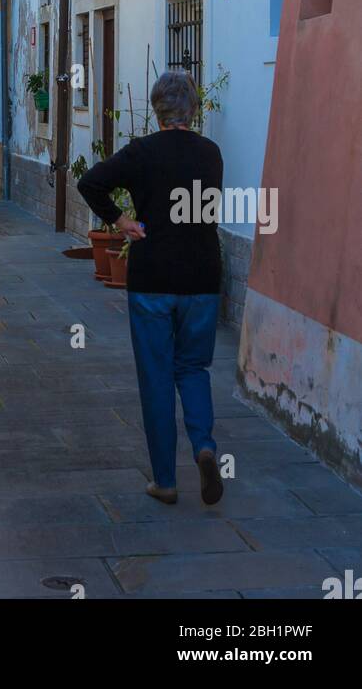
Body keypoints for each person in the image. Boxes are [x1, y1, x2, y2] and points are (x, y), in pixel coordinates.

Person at [76, 70, 224, 506]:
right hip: (202, 278)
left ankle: (165, 479)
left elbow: (90, 182)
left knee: (157, 377)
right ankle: (204, 446)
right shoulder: (211, 154)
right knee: (194, 368)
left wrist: (122, 221)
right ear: (192, 109)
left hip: (153, 279)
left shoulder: (142, 152)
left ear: (157, 109)